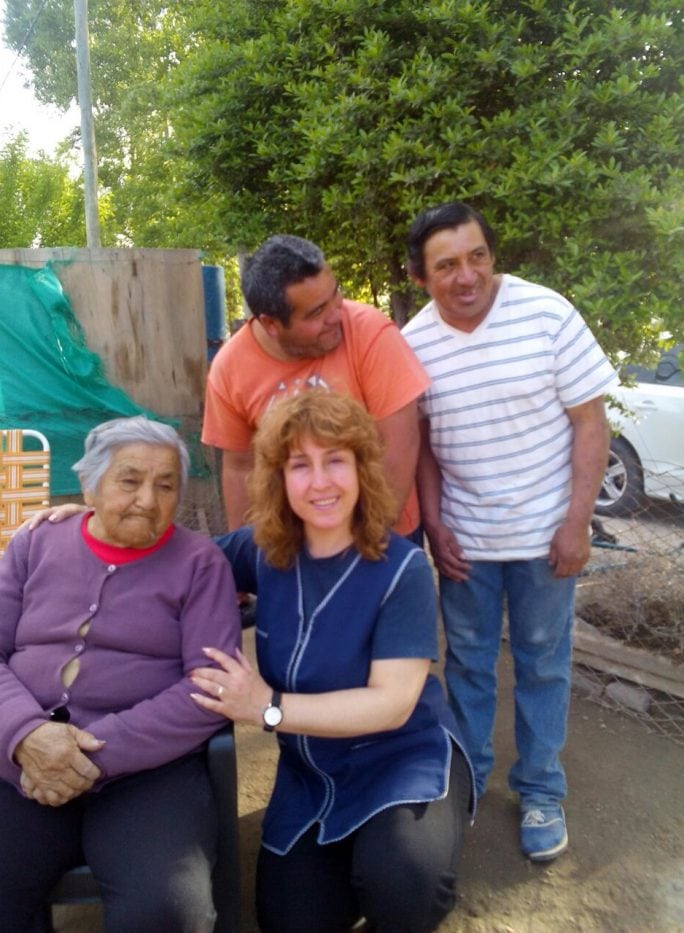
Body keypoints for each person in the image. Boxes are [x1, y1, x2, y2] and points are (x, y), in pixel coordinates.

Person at [190, 390, 475, 933]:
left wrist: (266, 708)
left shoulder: (403, 569)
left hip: (399, 757)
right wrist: (80, 528)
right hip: (311, 770)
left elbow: (390, 705)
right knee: (290, 921)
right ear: (280, 478)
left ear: (362, 468)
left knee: (405, 884)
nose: (320, 482)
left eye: (335, 460)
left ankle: (414, 843)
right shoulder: (264, 549)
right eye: (301, 465)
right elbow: (178, 562)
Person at [401, 201, 618, 862]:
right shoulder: (412, 343)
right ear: (419, 275)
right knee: (465, 663)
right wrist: (435, 525)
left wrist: (577, 522)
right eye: (447, 265)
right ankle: (463, 784)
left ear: (492, 256)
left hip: (547, 539)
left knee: (542, 664)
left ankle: (541, 790)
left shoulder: (547, 315)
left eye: (477, 257)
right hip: (467, 542)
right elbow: (426, 446)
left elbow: (591, 422)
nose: (466, 276)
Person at [0, 416, 241, 932]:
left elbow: (208, 686)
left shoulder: (200, 563)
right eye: (129, 480)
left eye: (165, 485)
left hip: (148, 774)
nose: (148, 499)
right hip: (20, 763)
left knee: (166, 909)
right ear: (88, 485)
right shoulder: (36, 543)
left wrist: (86, 752)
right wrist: (26, 734)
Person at [202, 234, 430, 538]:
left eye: (334, 295)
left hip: (382, 532)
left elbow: (399, 446)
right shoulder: (229, 369)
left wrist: (366, 538)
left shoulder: (371, 332)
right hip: (292, 545)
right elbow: (241, 468)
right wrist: (245, 560)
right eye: (316, 313)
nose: (337, 314)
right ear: (271, 324)